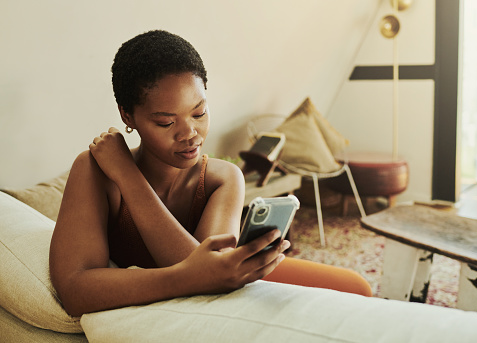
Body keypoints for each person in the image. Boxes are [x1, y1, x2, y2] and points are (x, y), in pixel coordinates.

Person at [49, 30, 371, 318]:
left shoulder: (223, 178)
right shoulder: (96, 170)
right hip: (207, 298)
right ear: (127, 115)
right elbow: (76, 291)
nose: (190, 133)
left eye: (199, 112)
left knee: (357, 289)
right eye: (166, 122)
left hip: (233, 279)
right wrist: (122, 172)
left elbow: (210, 273)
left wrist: (128, 177)